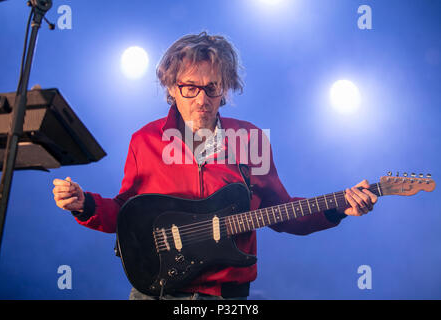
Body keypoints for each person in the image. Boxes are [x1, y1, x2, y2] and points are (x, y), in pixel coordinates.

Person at [52, 32, 378, 300]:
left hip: (225, 295)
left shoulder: (250, 139)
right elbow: (127, 212)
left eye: (212, 88)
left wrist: (337, 208)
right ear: (171, 87)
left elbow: (282, 212)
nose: (201, 99)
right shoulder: (145, 140)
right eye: (190, 87)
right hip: (157, 289)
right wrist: (86, 205)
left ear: (225, 90)